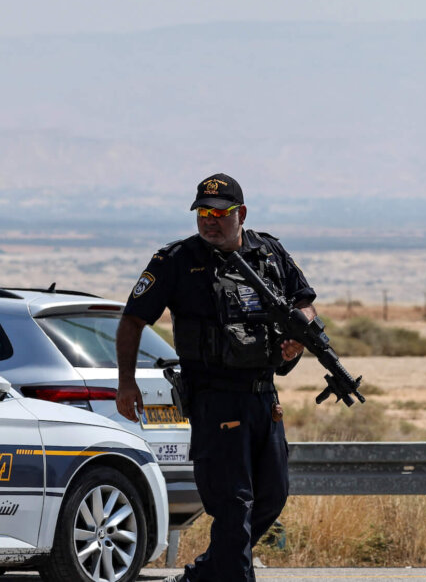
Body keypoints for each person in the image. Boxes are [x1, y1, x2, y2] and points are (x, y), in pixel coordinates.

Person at [116, 173, 317, 582]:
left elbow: (306, 303)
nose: (209, 221)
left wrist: (300, 335)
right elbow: (132, 320)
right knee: (233, 504)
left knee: (271, 498)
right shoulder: (175, 260)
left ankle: (206, 574)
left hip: (265, 397)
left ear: (240, 214)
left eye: (219, 213)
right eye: (202, 213)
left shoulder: (270, 252)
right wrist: (126, 382)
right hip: (215, 397)